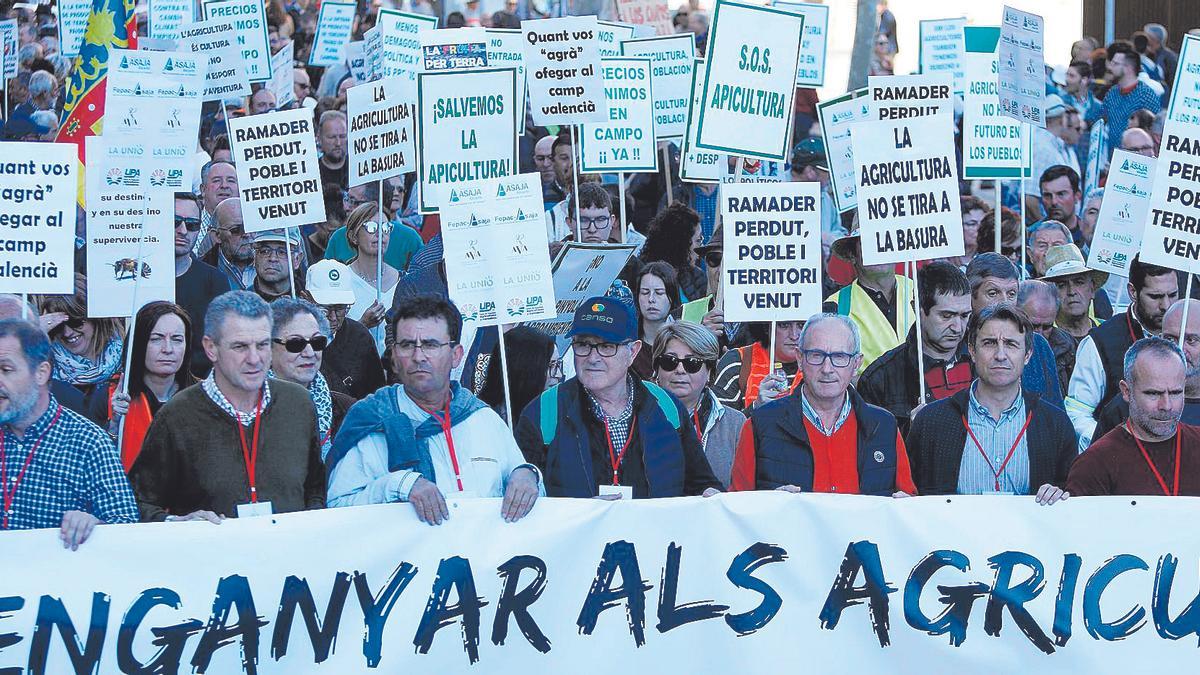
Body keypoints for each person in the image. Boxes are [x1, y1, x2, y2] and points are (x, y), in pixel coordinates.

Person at [327, 295, 541, 524]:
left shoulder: (484, 420)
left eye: (430, 345)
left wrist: (529, 475)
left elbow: (528, 502)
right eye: (407, 345)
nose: (419, 357)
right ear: (394, 358)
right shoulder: (371, 421)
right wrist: (398, 485)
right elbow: (337, 512)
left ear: (456, 355)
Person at [129, 291, 326, 521]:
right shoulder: (176, 416)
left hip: (287, 553)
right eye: (240, 347)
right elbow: (139, 502)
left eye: (262, 345)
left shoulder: (299, 404)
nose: (254, 358)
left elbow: (315, 488)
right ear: (211, 348)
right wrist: (176, 523)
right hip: (211, 555)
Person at [516, 296, 722, 499]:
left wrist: (711, 495)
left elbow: (701, 483)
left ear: (633, 351)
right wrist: (585, 514)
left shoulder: (666, 405)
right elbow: (528, 508)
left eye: (607, 346)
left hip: (654, 532)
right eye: (583, 345)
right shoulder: (544, 411)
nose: (593, 357)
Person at [730, 314, 915, 495]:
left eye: (840, 357)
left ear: (856, 363)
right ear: (800, 359)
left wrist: (905, 505)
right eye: (817, 355)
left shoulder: (883, 426)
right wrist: (769, 504)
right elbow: (737, 508)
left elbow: (906, 502)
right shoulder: (760, 425)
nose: (827, 369)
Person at [906, 304, 1074, 501]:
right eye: (989, 343)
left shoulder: (1055, 425)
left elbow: (1072, 495)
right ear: (972, 351)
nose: (1000, 355)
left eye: (1011, 344)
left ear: (1027, 355)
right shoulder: (931, 422)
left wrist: (1060, 494)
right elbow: (911, 494)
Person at [0, 319, 138, 548]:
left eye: (6, 370)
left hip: (55, 581)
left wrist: (95, 525)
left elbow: (126, 528)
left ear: (41, 373)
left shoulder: (89, 443)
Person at [1067, 256, 1178, 451]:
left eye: (1173, 294)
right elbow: (1077, 412)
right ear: (1132, 292)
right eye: (1155, 296)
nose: (1166, 305)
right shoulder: (1101, 341)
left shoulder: (1191, 334)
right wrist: (1111, 443)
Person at [1067, 337, 1200, 496]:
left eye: (1175, 393)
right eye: (1153, 393)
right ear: (1126, 391)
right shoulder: (1096, 462)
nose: (1166, 405)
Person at [858, 261, 974, 436]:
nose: (957, 327)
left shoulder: (984, 364)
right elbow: (871, 452)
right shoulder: (880, 378)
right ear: (917, 309)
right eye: (946, 316)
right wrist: (909, 434)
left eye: (965, 316)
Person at [98, 302, 193, 471]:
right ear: (139, 343)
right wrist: (114, 425)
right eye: (156, 339)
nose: (168, 349)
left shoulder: (203, 395)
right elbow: (94, 465)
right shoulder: (109, 396)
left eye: (177, 339)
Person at [1092, 299, 1200, 443]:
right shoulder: (1129, 403)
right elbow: (1099, 459)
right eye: (1171, 339)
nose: (1180, 348)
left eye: (1191, 340)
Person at [652, 321, 744, 488]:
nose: (680, 370)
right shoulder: (635, 417)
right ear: (657, 368)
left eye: (692, 362)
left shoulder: (736, 424)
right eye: (669, 361)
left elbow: (746, 491)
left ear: (709, 371)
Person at [966, 253, 1063, 408]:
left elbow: (1056, 415)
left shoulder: (1037, 344)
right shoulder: (955, 343)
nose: (1004, 302)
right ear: (971, 296)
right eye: (993, 293)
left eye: (1011, 294)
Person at [269, 297, 354, 461]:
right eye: (295, 343)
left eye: (317, 342)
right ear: (268, 347)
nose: (309, 353)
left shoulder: (347, 410)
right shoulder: (243, 408)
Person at [825, 225, 916, 373]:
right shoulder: (835, 307)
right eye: (869, 242)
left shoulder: (921, 290)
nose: (879, 248)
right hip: (866, 395)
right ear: (853, 255)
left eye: (885, 239)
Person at [303, 259, 386, 400]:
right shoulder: (291, 340)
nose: (333, 317)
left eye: (341, 308)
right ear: (305, 299)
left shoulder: (360, 337)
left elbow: (377, 395)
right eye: (325, 309)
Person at [39, 277, 124, 412]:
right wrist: (31, 333)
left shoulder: (128, 359)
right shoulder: (42, 367)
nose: (67, 333)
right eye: (58, 326)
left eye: (75, 322)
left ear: (96, 319)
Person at [173, 191, 230, 378]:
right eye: (174, 222)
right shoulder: (137, 278)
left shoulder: (215, 281)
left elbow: (222, 343)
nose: (182, 230)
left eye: (191, 225)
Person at [1088, 40, 1162, 157]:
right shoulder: (1112, 93)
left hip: (1137, 159)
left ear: (1128, 68)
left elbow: (1155, 132)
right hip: (1113, 157)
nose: (1110, 67)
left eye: (1116, 64)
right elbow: (1098, 120)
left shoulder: (1146, 95)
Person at [344, 202, 400, 355]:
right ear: (353, 236)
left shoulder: (404, 281)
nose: (380, 234)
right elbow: (331, 340)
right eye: (371, 228)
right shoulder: (342, 280)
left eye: (385, 228)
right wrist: (363, 324)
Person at [712, 320, 805, 411]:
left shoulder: (818, 366)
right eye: (784, 325)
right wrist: (755, 407)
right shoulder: (738, 361)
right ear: (767, 327)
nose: (794, 336)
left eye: (801, 325)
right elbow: (721, 423)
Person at [478, 325, 560, 423]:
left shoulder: (558, 416)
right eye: (550, 366)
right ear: (524, 369)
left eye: (558, 365)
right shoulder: (482, 420)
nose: (558, 374)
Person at [1018, 279, 1077, 392]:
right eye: (1033, 326)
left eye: (1046, 327)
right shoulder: (1000, 345)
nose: (1039, 334)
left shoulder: (1068, 346)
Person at [640, 203, 707, 302]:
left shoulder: (697, 277)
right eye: (698, 240)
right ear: (682, 244)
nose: (701, 247)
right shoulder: (642, 275)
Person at [1043, 243, 1108, 343]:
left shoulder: (1109, 332)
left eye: (1079, 282)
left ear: (1092, 289)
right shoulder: (1043, 337)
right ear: (1049, 295)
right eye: (1062, 285)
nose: (1071, 291)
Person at [1026, 102, 1081, 217]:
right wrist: (1045, 226)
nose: (1080, 133)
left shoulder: (1058, 145)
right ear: (1062, 120)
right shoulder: (1044, 149)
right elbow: (1029, 199)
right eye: (1077, 128)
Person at [631, 262, 679, 379]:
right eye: (645, 292)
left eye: (659, 293)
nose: (651, 299)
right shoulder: (627, 342)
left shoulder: (683, 342)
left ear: (672, 297)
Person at [205, 197, 257, 291]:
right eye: (236, 230)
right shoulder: (202, 271)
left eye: (251, 227)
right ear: (217, 235)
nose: (247, 234)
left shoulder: (274, 263)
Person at [192, 160, 239, 259]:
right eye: (217, 180)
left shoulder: (251, 229)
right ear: (203, 190)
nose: (224, 185)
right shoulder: (188, 226)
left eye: (231, 180)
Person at [250, 228, 305, 302]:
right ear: (254, 256)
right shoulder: (240, 303)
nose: (273, 258)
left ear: (297, 259)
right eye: (265, 251)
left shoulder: (311, 299)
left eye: (282, 252)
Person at [317, 110, 349, 190]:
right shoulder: (312, 173)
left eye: (342, 136)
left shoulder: (358, 170)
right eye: (332, 137)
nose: (338, 143)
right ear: (319, 138)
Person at [1143, 23, 1178, 91]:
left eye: (1146, 36)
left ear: (1154, 39)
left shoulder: (1169, 57)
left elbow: (1173, 80)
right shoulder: (1145, 54)